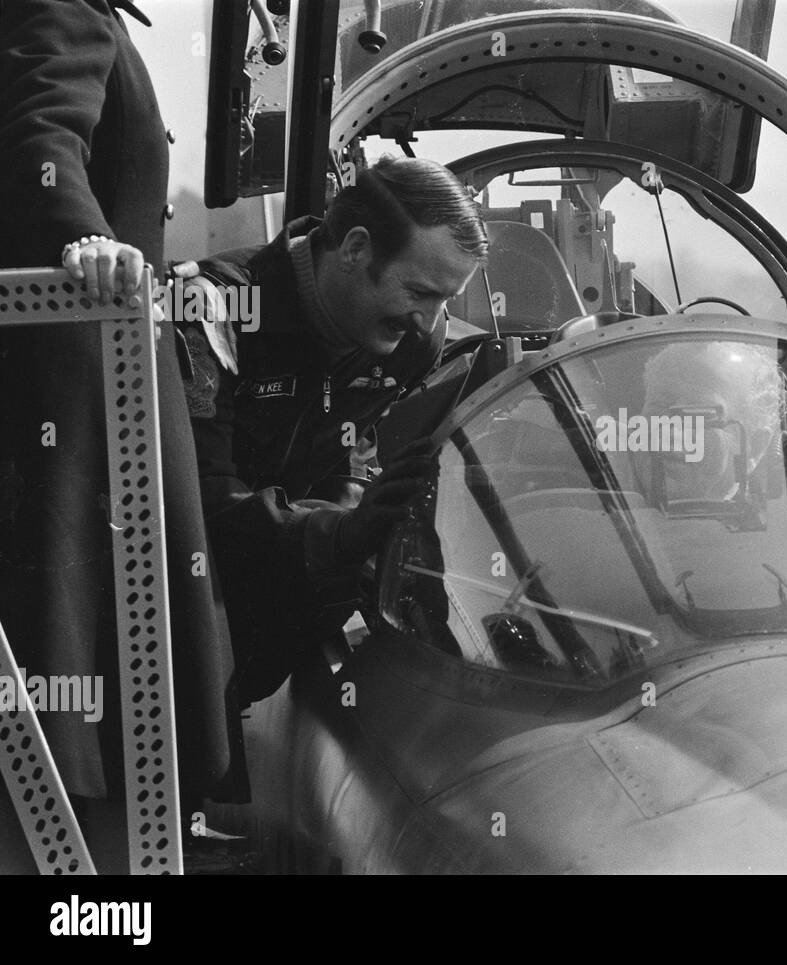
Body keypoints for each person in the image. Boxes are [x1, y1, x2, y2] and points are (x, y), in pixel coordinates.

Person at [0, 0, 246, 871]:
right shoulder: (63, 6)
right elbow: (42, 130)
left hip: (93, 385)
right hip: (87, 398)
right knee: (91, 665)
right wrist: (87, 238)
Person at [176, 156, 487, 702]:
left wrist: (364, 511)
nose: (429, 322)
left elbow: (347, 445)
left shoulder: (411, 344)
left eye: (445, 300)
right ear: (356, 249)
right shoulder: (211, 310)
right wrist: (339, 534)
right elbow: (194, 500)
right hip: (180, 609)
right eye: (419, 292)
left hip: (280, 605)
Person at [637, 340, 787, 506]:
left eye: (699, 414)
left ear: (754, 446)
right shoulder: (606, 514)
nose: (669, 432)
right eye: (658, 407)